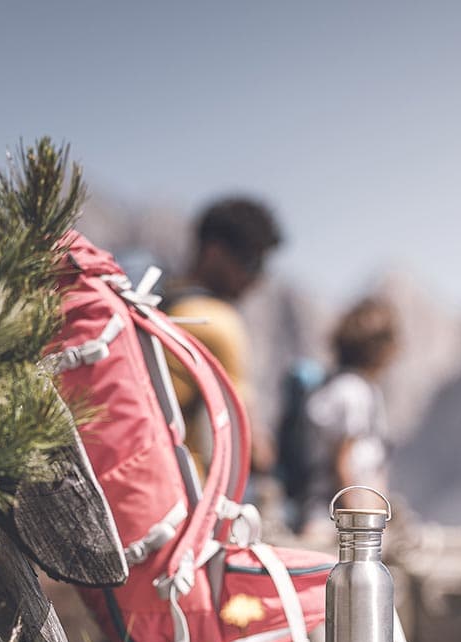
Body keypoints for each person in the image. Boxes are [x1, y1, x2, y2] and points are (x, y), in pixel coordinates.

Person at [164, 197, 282, 476]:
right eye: (252, 264)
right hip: (180, 492)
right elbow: (251, 449)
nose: (257, 279)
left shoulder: (156, 300)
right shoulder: (219, 322)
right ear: (215, 253)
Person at [297, 295, 400, 536]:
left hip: (334, 515)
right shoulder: (353, 393)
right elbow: (343, 461)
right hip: (336, 519)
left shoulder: (344, 387)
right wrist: (359, 521)